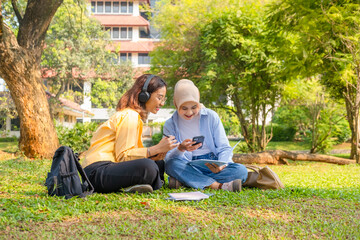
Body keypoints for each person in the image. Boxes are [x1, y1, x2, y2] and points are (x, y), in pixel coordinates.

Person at [82, 74, 179, 194]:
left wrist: (154, 154)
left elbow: (130, 156)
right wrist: (155, 148)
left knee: (157, 163)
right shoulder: (130, 116)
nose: (162, 103)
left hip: (107, 169)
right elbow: (123, 156)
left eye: (163, 99)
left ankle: (135, 186)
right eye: (159, 98)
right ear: (144, 95)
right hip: (96, 172)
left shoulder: (135, 117)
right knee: (149, 167)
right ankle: (136, 185)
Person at [163, 79, 248, 192]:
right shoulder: (170, 124)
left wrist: (221, 165)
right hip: (188, 165)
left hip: (213, 164)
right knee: (171, 165)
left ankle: (186, 181)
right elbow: (169, 158)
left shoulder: (211, 116)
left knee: (241, 171)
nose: (189, 113)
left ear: (198, 102)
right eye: (184, 108)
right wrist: (181, 148)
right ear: (175, 104)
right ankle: (218, 185)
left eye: (194, 107)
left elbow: (224, 147)